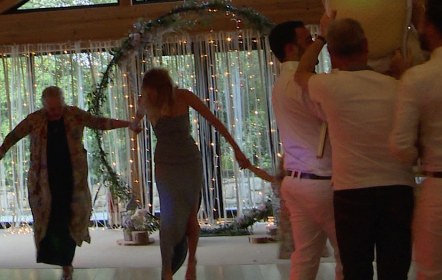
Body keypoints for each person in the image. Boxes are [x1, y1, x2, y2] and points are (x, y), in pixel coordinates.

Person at [295, 18, 415, 280]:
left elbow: (300, 73)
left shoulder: (328, 86)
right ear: (366, 45)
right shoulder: (398, 87)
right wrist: (403, 72)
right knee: (395, 270)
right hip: (398, 188)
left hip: (351, 191)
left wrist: (321, 37)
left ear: (331, 53)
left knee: (355, 270)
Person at [132, 68, 261, 280]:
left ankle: (191, 262)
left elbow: (215, 121)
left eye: (153, 90)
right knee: (167, 217)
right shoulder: (144, 101)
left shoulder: (183, 96)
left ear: (163, 87)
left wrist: (237, 149)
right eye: (147, 90)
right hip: (165, 162)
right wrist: (135, 125)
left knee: (191, 218)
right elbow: (136, 122)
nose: (150, 94)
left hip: (189, 161)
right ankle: (166, 271)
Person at [0, 86, 129, 280]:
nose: (55, 112)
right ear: (44, 105)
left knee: (71, 221)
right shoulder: (35, 119)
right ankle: (60, 262)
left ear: (63, 102)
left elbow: (98, 122)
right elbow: (14, 135)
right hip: (44, 182)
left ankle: (67, 265)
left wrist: (127, 124)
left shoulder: (74, 115)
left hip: (71, 179)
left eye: (58, 107)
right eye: (51, 108)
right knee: (48, 223)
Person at [389, 0, 442, 280]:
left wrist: (419, 151)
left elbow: (400, 146)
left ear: (431, 28)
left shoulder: (418, 78)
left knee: (431, 272)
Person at [267, 21, 343, 280]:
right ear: (291, 49)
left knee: (305, 257)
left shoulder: (280, 84)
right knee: (349, 256)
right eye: (308, 41)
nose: (314, 46)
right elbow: (335, 116)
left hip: (296, 181)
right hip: (322, 182)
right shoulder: (304, 83)